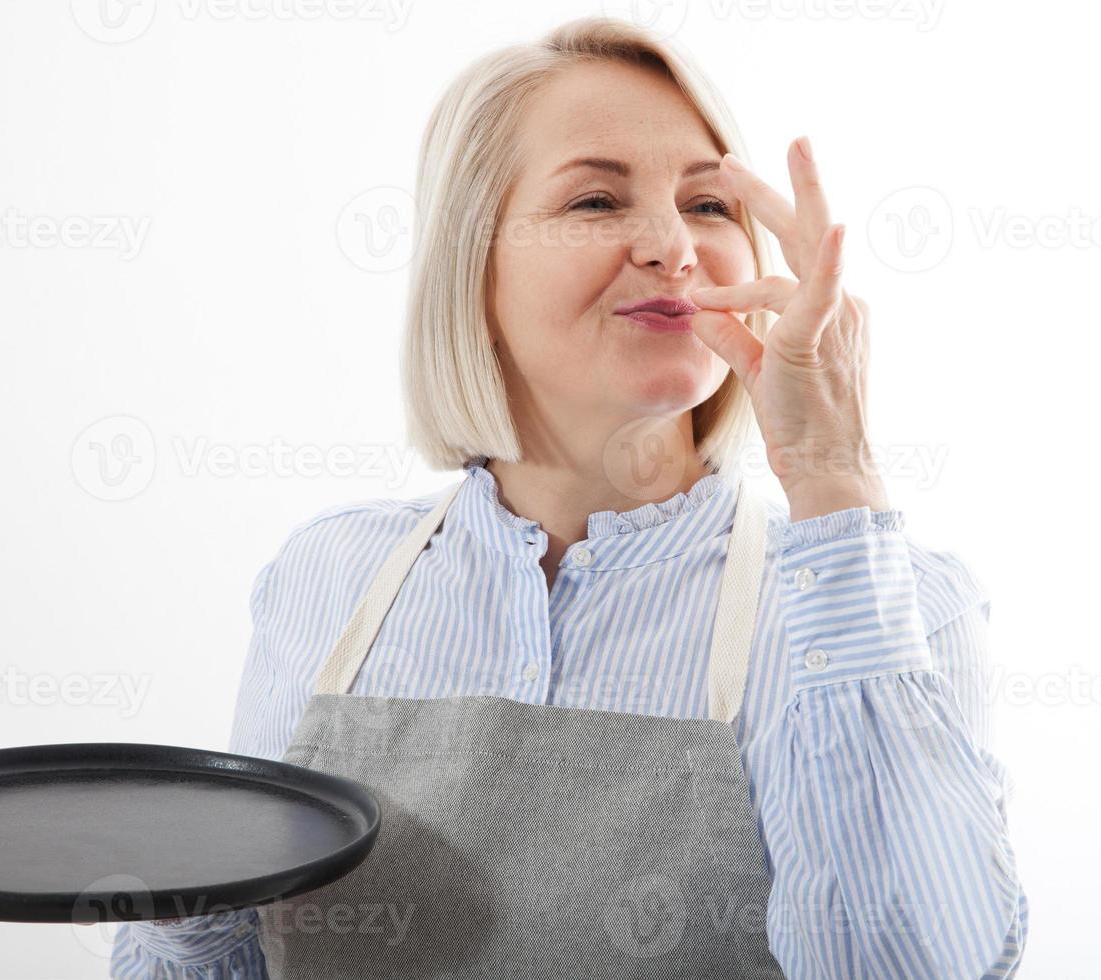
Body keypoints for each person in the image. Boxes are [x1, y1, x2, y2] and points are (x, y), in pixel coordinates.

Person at [113, 15, 1026, 978]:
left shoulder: (892, 606)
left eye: (711, 206)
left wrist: (829, 467)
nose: (674, 248)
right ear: (472, 265)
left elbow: (917, 968)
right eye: (597, 199)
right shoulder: (329, 578)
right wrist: (184, 908)